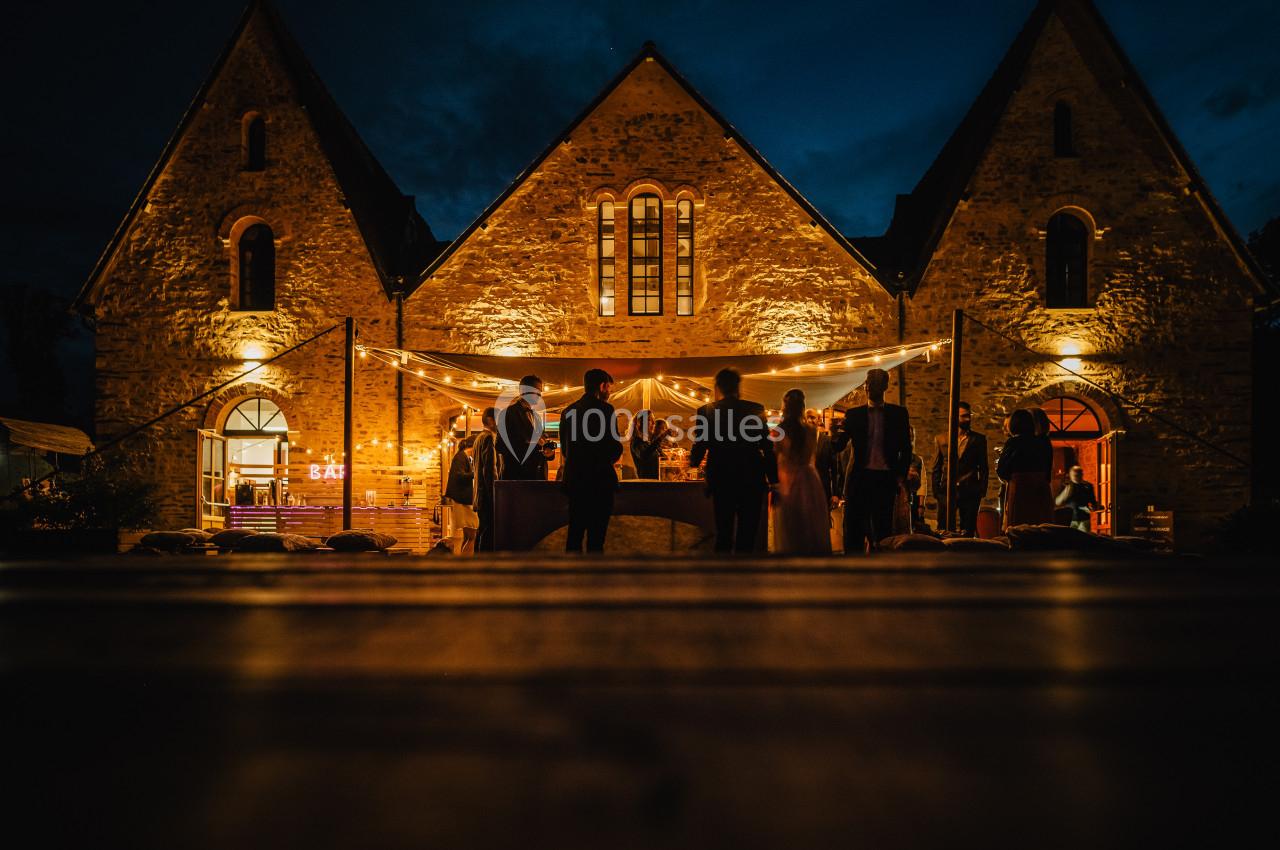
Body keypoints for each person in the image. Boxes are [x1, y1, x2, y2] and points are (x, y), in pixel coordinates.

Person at [689, 367, 779, 554]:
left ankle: (724, 570)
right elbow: (767, 447)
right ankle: (744, 568)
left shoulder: (706, 411)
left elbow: (700, 444)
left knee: (724, 533)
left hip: (721, 477)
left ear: (718, 387)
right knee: (747, 534)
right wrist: (774, 480)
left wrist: (693, 464)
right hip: (751, 477)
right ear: (738, 386)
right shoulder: (755, 409)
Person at [831, 368, 912, 553]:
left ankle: (881, 567)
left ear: (884, 386)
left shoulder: (898, 414)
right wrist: (834, 433)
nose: (868, 387)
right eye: (867, 383)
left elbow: (906, 448)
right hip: (860, 478)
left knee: (883, 531)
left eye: (873, 383)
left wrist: (899, 476)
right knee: (854, 529)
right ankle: (853, 565)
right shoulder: (854, 415)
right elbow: (838, 446)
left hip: (885, 479)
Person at [559, 368, 623, 553]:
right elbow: (613, 447)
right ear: (602, 386)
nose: (609, 392)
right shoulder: (606, 410)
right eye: (609, 388)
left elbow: (565, 450)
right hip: (600, 481)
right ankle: (593, 571)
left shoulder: (568, 411)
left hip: (575, 481)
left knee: (574, 535)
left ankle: (572, 570)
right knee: (596, 540)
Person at [773, 391, 832, 555]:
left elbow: (776, 459)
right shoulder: (811, 430)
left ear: (785, 407)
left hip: (788, 480)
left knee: (791, 527)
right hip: (809, 479)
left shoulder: (779, 431)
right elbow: (811, 457)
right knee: (811, 523)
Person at [930, 401, 989, 536]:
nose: (968, 419)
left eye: (969, 415)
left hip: (970, 489)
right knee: (943, 529)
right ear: (954, 417)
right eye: (964, 416)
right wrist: (936, 491)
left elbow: (984, 467)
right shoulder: (941, 439)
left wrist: (981, 489)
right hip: (946, 490)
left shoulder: (978, 439)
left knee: (968, 530)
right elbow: (936, 467)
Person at [996, 408, 1055, 528]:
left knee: (1019, 525)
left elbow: (1002, 470)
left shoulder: (1013, 442)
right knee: (1040, 525)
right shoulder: (1043, 443)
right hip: (1041, 489)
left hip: (1019, 489)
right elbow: (1048, 469)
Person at [497, 375, 546, 480]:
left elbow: (541, 444)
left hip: (537, 477)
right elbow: (500, 446)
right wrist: (532, 445)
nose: (540, 395)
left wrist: (548, 451)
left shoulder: (537, 417)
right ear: (523, 390)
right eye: (537, 391)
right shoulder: (507, 413)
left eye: (540, 391)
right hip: (516, 476)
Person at [445, 435, 478, 554]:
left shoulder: (464, 457)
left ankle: (464, 558)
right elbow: (459, 476)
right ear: (473, 447)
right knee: (472, 534)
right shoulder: (460, 458)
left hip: (463, 500)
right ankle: (466, 560)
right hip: (462, 501)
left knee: (469, 535)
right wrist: (476, 473)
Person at [472, 407, 499, 551]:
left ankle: (477, 559)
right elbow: (489, 469)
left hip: (479, 493)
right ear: (490, 420)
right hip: (487, 494)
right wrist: (494, 494)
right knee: (488, 533)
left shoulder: (478, 438)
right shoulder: (489, 438)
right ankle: (483, 561)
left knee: (482, 530)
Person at [1056, 465, 1099, 532]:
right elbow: (1057, 502)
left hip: (1084, 520)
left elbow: (1093, 503)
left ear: (1082, 474)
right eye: (1075, 474)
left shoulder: (1088, 486)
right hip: (1070, 520)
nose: (1077, 476)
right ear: (1071, 475)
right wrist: (1066, 492)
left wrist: (1093, 507)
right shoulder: (1067, 486)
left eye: (1078, 474)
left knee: (1083, 537)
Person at [629, 409, 668, 480]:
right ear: (640, 423)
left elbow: (662, 458)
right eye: (650, 420)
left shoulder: (648, 442)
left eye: (654, 420)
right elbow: (644, 455)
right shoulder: (636, 442)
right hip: (647, 483)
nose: (653, 423)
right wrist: (661, 437)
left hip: (656, 482)